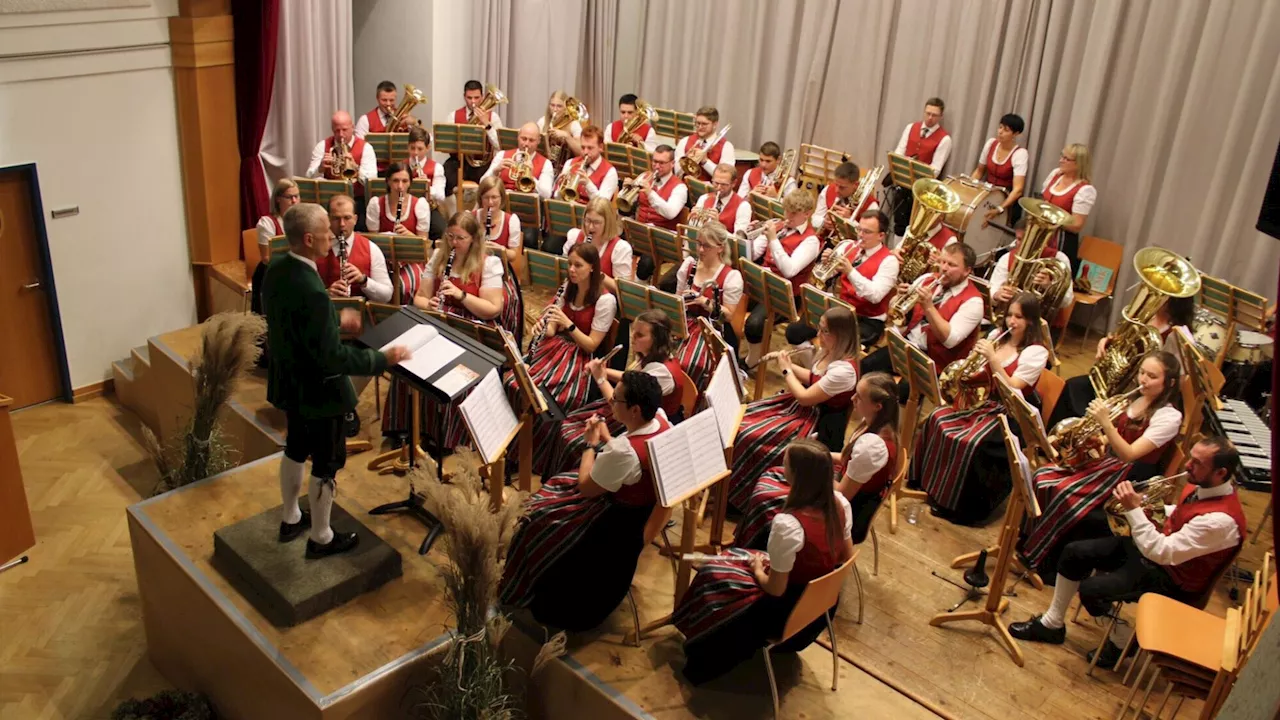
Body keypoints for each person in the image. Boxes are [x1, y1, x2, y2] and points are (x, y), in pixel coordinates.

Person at [1010, 436, 1245, 666]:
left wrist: (1134, 511)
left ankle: (1123, 639)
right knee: (1074, 553)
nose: (1187, 465)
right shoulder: (1204, 485)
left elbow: (1161, 552)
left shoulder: (1221, 522)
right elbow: (1178, 514)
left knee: (1092, 590)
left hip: (1174, 580)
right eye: (1190, 458)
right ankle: (1052, 624)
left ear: (1220, 473)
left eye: (1197, 463)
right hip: (1158, 556)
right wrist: (1146, 503)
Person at [263, 203, 409, 558]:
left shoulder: (277, 267)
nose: (334, 234)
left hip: (289, 379)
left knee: (296, 447)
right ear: (310, 238)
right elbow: (334, 357)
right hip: (321, 388)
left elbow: (294, 319)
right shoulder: (313, 291)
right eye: (328, 229)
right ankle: (322, 537)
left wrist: (331, 315)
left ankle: (290, 517)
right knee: (327, 462)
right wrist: (381, 359)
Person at [500, 371, 672, 630]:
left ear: (635, 410)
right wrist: (607, 439)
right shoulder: (661, 419)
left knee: (538, 516)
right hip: (638, 511)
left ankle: (527, 582)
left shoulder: (623, 452)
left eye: (617, 400)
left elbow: (586, 487)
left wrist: (590, 445)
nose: (611, 402)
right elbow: (629, 463)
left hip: (612, 520)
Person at [674, 439, 854, 685]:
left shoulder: (788, 525)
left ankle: (698, 637)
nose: (782, 466)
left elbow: (775, 588)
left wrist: (758, 569)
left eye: (786, 463)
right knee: (730, 560)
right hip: (820, 602)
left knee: (713, 573)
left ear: (799, 476)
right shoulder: (840, 503)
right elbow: (845, 556)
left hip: (785, 609)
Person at [1020, 351, 1184, 583]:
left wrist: (1106, 423)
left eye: (1152, 376)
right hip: (1107, 463)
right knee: (1044, 476)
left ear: (1169, 383)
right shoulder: (1133, 397)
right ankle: (1025, 544)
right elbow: (1107, 441)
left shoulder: (1169, 416)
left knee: (1065, 493)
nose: (1143, 380)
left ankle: (1043, 562)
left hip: (1130, 476)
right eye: (1142, 373)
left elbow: (1129, 454)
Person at [911, 293, 1049, 525]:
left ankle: (956, 506)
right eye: (1010, 315)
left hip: (1008, 411)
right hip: (981, 399)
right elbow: (974, 371)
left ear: (1031, 322)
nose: (1012, 322)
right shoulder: (996, 336)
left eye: (1019, 318)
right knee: (937, 416)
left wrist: (993, 360)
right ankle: (927, 482)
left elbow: (1014, 388)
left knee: (969, 441)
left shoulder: (1036, 352)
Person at [735, 372, 900, 550]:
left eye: (859, 397)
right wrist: (813, 454)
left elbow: (843, 494)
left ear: (877, 406)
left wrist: (812, 471)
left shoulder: (872, 446)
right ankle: (749, 541)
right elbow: (846, 458)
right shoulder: (874, 424)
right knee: (773, 473)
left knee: (766, 496)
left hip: (838, 511)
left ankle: (754, 550)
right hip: (836, 489)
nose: (852, 399)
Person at [729, 307, 860, 509]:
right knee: (744, 417)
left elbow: (805, 397)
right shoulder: (830, 352)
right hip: (803, 410)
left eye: (824, 331)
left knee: (752, 435)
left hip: (817, 421)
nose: (818, 335)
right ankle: (728, 487)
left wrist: (785, 369)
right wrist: (787, 362)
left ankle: (739, 498)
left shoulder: (845, 371)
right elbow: (812, 378)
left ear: (839, 335)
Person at [537, 310, 687, 477]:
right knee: (569, 418)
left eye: (640, 335)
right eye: (633, 332)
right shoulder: (651, 356)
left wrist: (601, 379)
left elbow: (618, 403)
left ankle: (583, 477)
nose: (633, 338)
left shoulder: (662, 373)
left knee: (571, 433)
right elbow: (630, 379)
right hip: (628, 410)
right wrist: (604, 370)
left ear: (656, 339)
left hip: (641, 425)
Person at [410, 212, 506, 451]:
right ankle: (416, 425)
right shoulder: (439, 257)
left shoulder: (489, 264)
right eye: (450, 236)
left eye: (460, 238)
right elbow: (419, 298)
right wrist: (429, 304)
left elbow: (492, 309)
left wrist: (462, 295)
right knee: (411, 360)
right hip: (440, 320)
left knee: (454, 371)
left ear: (473, 239)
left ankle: (449, 436)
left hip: (472, 327)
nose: (453, 243)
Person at [1047, 295, 1195, 429]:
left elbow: (1179, 380)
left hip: (1136, 391)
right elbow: (1121, 340)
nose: (1157, 295)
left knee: (1092, 409)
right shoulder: (1145, 315)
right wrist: (1106, 342)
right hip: (1113, 379)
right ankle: (1052, 440)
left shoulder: (1178, 335)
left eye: (1163, 293)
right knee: (1074, 385)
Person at [859, 243, 985, 396]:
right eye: (943, 261)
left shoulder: (974, 302)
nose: (944, 268)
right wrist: (898, 298)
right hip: (907, 346)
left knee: (896, 393)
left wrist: (929, 307)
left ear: (967, 271)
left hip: (934, 363)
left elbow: (950, 340)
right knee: (864, 367)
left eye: (951, 265)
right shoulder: (927, 279)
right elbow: (899, 317)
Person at [518, 242, 618, 412]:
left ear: (592, 268)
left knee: (548, 395)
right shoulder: (568, 286)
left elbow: (591, 345)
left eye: (578, 265)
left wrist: (568, 325)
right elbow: (551, 329)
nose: (571, 269)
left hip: (581, 358)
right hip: (556, 347)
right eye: (570, 264)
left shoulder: (606, 301)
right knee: (519, 383)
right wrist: (544, 324)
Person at [787, 210, 898, 351]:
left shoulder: (889, 261)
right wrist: (828, 263)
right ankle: (816, 370)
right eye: (859, 229)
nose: (860, 235)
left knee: (835, 343)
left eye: (867, 232)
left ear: (881, 236)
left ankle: (827, 368)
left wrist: (850, 271)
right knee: (794, 332)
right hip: (841, 309)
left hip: (866, 319)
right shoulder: (849, 246)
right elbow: (825, 275)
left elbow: (875, 296)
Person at [742, 189, 819, 369]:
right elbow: (753, 254)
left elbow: (790, 270)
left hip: (786, 296)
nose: (787, 216)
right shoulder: (779, 227)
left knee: (754, 324)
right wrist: (751, 236)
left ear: (807, 214)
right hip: (761, 284)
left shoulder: (810, 241)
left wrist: (773, 240)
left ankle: (752, 361)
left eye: (793, 213)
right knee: (726, 300)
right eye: (786, 211)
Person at [674, 220, 744, 390]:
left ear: (720, 248)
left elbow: (728, 315)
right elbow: (675, 299)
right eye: (699, 244)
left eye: (706, 246)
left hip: (710, 328)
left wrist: (704, 302)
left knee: (688, 362)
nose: (700, 250)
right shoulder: (689, 265)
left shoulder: (731, 276)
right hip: (684, 321)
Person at [988, 216, 1075, 322]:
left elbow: (1067, 300)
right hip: (1009, 319)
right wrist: (997, 294)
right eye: (1019, 239)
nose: (1021, 244)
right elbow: (992, 289)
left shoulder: (1060, 258)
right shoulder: (1007, 258)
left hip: (1040, 322)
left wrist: (1049, 287)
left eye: (1026, 240)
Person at [887, 98, 950, 238]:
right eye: (928, 113)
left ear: (941, 117)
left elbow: (936, 169)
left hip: (922, 190)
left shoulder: (945, 139)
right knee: (899, 221)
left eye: (934, 115)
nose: (930, 118)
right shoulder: (911, 127)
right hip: (903, 182)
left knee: (912, 226)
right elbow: (899, 151)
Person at [306, 111, 378, 230]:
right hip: (329, 202)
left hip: (355, 202)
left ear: (353, 127)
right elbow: (309, 177)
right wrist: (321, 168)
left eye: (345, 130)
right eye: (336, 131)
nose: (341, 135)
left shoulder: (366, 148)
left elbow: (371, 182)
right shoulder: (322, 146)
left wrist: (355, 167)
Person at [474, 177, 525, 343]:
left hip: (502, 273)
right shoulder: (472, 217)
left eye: (494, 197)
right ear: (480, 198)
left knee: (508, 298)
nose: (490, 202)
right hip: (474, 267)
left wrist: (496, 248)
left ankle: (500, 338)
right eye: (486, 197)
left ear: (501, 199)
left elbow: (513, 255)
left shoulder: (511, 221)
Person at [321, 194, 393, 303]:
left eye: (347, 218)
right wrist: (326, 294)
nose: (342, 224)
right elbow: (304, 294)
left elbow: (387, 295)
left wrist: (364, 281)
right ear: (328, 219)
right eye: (336, 218)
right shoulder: (316, 248)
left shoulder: (371, 249)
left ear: (355, 219)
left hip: (361, 316)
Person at [631, 144, 688, 283]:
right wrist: (628, 190)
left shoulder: (680, 187)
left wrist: (650, 194)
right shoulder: (645, 176)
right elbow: (627, 205)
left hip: (661, 241)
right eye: (655, 161)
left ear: (672, 164)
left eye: (661, 163)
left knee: (646, 263)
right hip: (640, 233)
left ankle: (639, 293)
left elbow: (670, 213)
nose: (656, 166)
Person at [1040, 143, 1097, 274]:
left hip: (1061, 240)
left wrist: (1052, 218)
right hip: (1042, 233)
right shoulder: (1055, 175)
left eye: (1066, 159)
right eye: (1062, 156)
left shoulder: (1085, 190)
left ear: (1078, 164)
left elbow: (1077, 224)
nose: (1061, 160)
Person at [562, 196, 635, 294]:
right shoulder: (574, 236)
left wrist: (595, 273)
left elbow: (623, 290)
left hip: (602, 299)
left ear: (608, 223)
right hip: (574, 294)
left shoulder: (620, 248)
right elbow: (563, 269)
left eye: (596, 222)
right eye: (587, 220)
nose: (590, 227)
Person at [444, 80, 504, 196]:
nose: (473, 102)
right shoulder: (453, 116)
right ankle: (453, 210)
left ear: (482, 97)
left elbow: (499, 145)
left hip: (482, 163)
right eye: (469, 98)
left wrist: (487, 124)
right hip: (459, 161)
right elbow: (447, 143)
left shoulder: (493, 117)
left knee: (487, 184)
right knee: (445, 176)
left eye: (476, 98)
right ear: (464, 97)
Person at [251, 178, 300, 317]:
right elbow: (266, 258)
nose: (294, 201)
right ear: (278, 199)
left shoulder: (301, 220)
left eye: (297, 196)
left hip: (293, 270)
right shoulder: (267, 223)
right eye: (289, 197)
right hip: (271, 273)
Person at [971, 113, 1028, 227]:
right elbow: (979, 171)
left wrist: (1000, 208)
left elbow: (1018, 189)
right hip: (986, 193)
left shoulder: (1020, 154)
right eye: (1000, 127)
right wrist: (970, 190)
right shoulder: (991, 143)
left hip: (1007, 200)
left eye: (1006, 130)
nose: (1000, 132)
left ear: (1016, 134)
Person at [482, 122, 555, 199]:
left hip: (527, 205)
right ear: (518, 136)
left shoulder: (546, 164)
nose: (526, 143)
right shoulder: (501, 155)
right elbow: (482, 183)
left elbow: (546, 194)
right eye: (523, 139)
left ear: (539, 141)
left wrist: (531, 177)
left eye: (531, 140)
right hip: (502, 203)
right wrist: (495, 172)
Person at [553, 125, 617, 205]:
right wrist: (559, 186)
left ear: (601, 147)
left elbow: (602, 205)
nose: (585, 152)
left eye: (590, 148)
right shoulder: (570, 163)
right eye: (583, 147)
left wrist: (588, 184)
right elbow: (557, 199)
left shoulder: (610, 172)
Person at [811, 161, 880, 236]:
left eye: (842, 187)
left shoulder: (871, 204)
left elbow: (871, 236)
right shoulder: (828, 190)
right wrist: (824, 222)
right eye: (836, 184)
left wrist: (849, 220)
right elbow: (814, 218)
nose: (836, 190)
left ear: (856, 185)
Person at [405, 127, 447, 240]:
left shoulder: (437, 167)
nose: (415, 153)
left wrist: (427, 186)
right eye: (412, 148)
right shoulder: (401, 166)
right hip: (406, 207)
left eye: (420, 149)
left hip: (429, 208)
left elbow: (441, 196)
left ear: (428, 148)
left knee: (442, 232)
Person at [675, 106, 735, 181]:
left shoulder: (727, 147)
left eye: (704, 124)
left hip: (711, 190)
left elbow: (725, 178)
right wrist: (687, 158)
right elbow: (676, 172)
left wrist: (705, 161)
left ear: (715, 124)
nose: (700, 127)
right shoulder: (684, 141)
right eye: (698, 123)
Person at [691, 163, 751, 234]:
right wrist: (692, 221)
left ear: (734, 183)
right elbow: (693, 232)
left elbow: (739, 240)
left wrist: (718, 226)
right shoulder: (704, 198)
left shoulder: (743, 206)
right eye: (716, 183)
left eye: (724, 184)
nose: (719, 188)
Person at [536, 90, 584, 167]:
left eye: (559, 106)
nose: (555, 109)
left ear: (565, 107)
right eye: (552, 105)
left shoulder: (573, 124)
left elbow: (581, 152)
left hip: (566, 167)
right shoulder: (542, 121)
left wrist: (567, 136)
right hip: (544, 165)